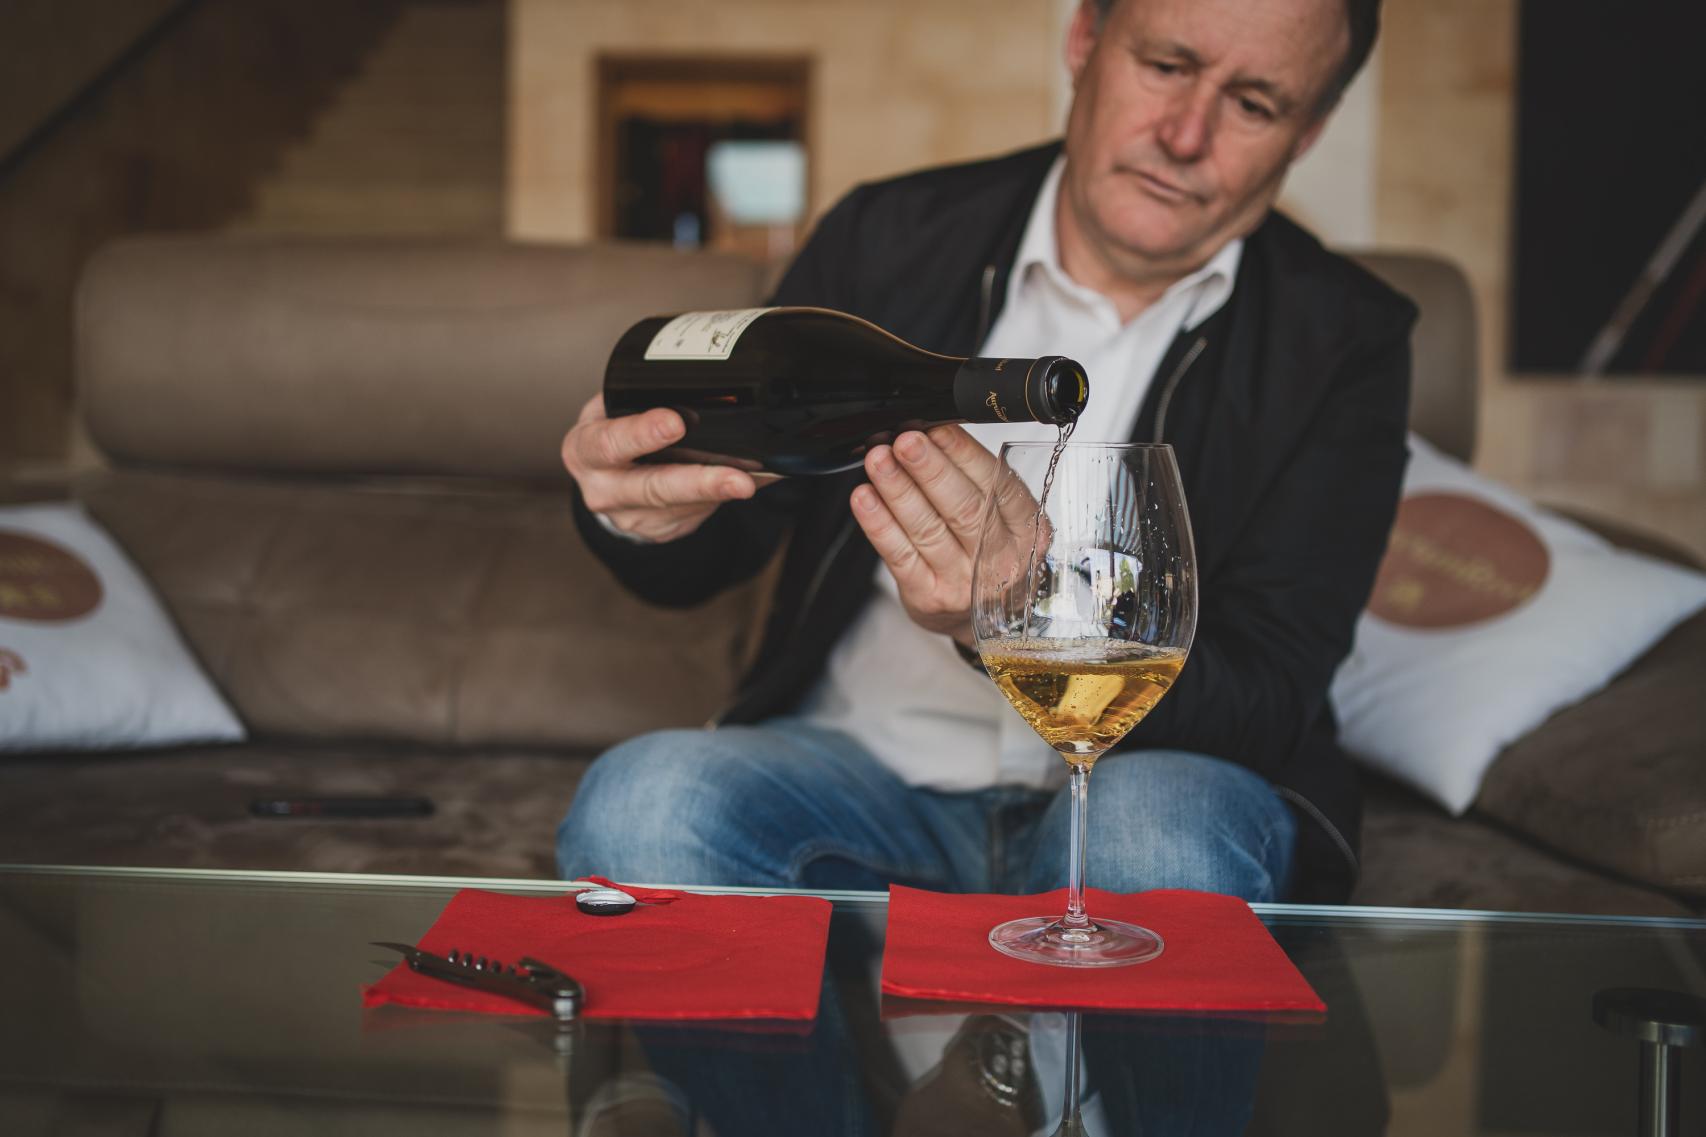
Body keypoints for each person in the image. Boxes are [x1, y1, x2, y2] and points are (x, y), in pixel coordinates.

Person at [556, 0, 1411, 905]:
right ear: (1084, 40)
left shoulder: (1347, 338)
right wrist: (635, 506)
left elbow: (1269, 697)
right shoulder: (888, 236)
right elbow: (720, 543)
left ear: (1307, 133)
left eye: (1254, 104)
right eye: (1165, 65)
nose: (1185, 134)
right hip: (856, 766)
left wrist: (1024, 609)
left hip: (1151, 776)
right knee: (646, 805)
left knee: (1158, 844)